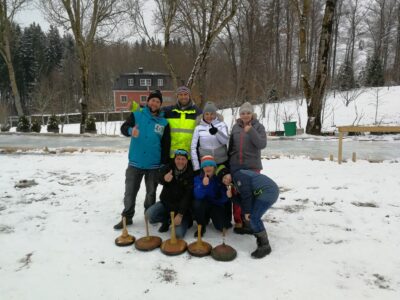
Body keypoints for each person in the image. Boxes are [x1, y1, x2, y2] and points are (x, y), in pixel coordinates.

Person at [114, 90, 171, 230]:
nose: (155, 103)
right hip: (135, 163)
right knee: (130, 192)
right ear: (148, 102)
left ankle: (148, 215)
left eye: (158, 101)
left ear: (160, 105)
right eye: (153, 100)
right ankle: (127, 217)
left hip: (154, 165)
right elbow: (123, 127)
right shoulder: (136, 115)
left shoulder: (164, 123)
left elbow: (166, 145)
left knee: (151, 193)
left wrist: (163, 164)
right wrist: (130, 131)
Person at [217, 165, 279, 259]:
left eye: (226, 177)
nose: (226, 180)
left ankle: (265, 246)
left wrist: (247, 212)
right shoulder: (235, 182)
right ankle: (251, 228)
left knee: (253, 217)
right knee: (248, 211)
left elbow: (247, 195)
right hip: (261, 193)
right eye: (223, 180)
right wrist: (231, 197)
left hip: (268, 192)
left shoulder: (238, 175)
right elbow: (242, 201)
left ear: (230, 173)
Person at [228, 101, 267, 233]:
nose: (245, 115)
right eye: (243, 113)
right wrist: (230, 162)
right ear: (240, 115)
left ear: (252, 114)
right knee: (237, 193)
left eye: (248, 113)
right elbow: (231, 146)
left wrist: (251, 131)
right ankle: (238, 220)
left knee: (251, 194)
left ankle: (249, 220)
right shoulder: (235, 127)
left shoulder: (259, 127)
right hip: (236, 166)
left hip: (252, 166)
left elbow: (262, 144)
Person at [145, 149, 194, 238]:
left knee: (177, 234)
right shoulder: (168, 168)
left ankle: (185, 221)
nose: (180, 161)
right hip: (166, 204)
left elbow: (188, 196)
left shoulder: (191, 173)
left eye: (183, 159)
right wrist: (164, 178)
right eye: (178, 159)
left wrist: (180, 214)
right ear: (174, 159)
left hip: (182, 210)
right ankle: (167, 221)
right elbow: (158, 177)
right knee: (149, 215)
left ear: (187, 160)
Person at [193, 155, 231, 237]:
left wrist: (225, 196)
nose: (208, 168)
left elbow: (223, 199)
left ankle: (215, 218)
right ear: (202, 168)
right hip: (203, 206)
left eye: (210, 165)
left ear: (214, 167)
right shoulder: (198, 178)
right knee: (197, 203)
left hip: (215, 205)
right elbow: (197, 195)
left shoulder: (219, 178)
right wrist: (203, 185)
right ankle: (201, 226)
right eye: (205, 166)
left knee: (222, 227)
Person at [162, 86, 202, 159]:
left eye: (185, 94)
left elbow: (210, 118)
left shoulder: (198, 112)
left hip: (190, 158)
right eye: (180, 94)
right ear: (177, 96)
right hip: (172, 157)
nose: (183, 97)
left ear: (189, 96)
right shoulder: (169, 111)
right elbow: (154, 112)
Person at [190, 101, 229, 172]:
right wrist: (196, 166)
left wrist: (217, 132)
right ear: (203, 115)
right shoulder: (198, 128)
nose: (209, 116)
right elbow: (193, 147)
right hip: (206, 162)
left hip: (221, 161)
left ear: (215, 114)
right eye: (207, 114)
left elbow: (225, 141)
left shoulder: (221, 124)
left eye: (212, 114)